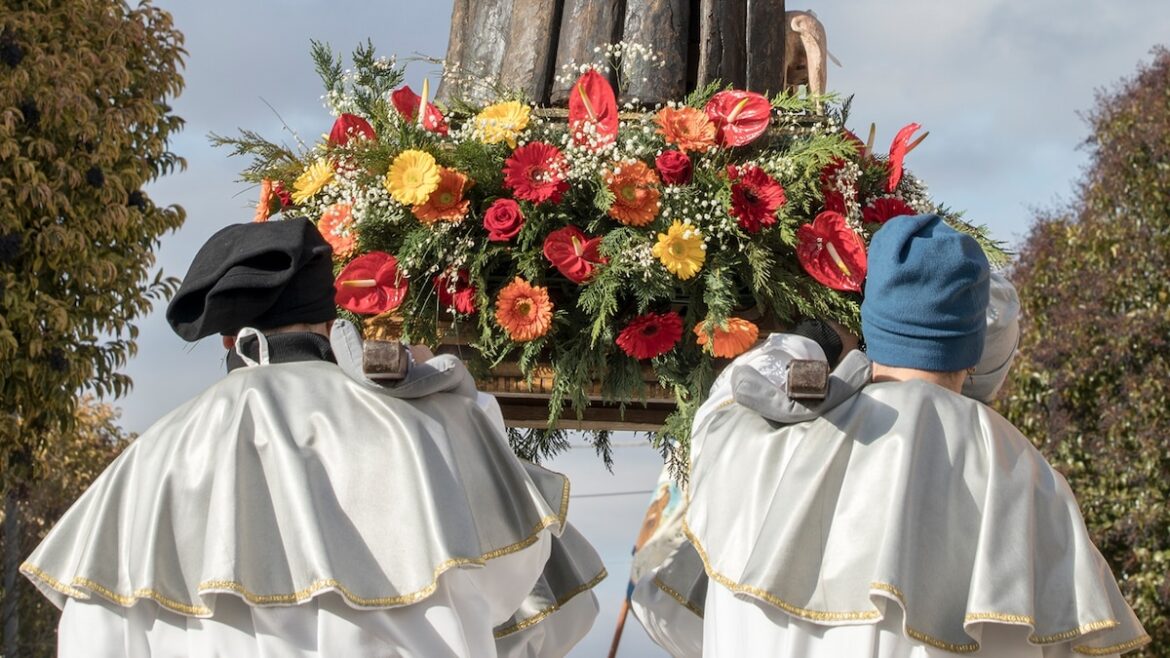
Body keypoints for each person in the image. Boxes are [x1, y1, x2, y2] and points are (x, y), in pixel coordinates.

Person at [21, 217, 600, 657]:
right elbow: (513, 580)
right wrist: (458, 398)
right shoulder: (424, 427)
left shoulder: (151, 458)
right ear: (331, 322)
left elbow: (93, 632)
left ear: (227, 338)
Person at [684, 214, 1149, 655]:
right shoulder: (1025, 474)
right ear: (972, 352)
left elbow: (727, 399)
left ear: (870, 323)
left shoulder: (766, 432)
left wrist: (813, 341)